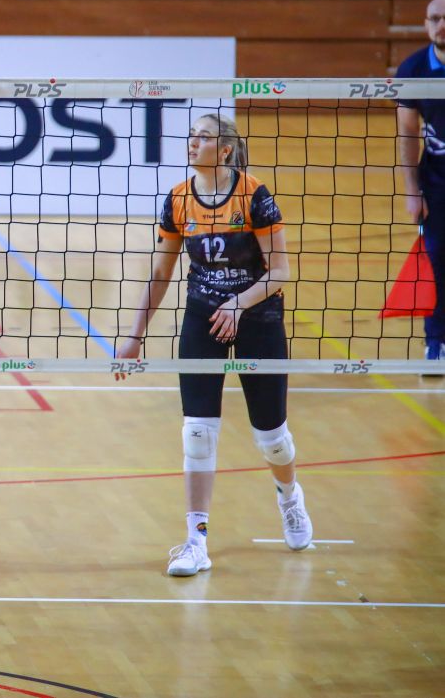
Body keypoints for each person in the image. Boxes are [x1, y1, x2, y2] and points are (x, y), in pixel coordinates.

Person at [115, 114, 313, 577]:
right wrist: (134, 336)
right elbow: (161, 273)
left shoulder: (254, 196)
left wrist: (239, 305)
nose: (192, 143)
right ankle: (195, 541)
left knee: (272, 439)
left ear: (224, 150)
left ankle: (289, 497)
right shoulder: (178, 199)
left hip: (258, 317)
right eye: (191, 136)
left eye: (202, 137)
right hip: (203, 317)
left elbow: (280, 271)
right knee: (197, 433)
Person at [395, 0, 445, 374]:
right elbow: (408, 133)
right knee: (437, 260)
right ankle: (437, 343)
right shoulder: (413, 69)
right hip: (437, 179)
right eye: (434, 18)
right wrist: (412, 191)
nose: (440, 25)